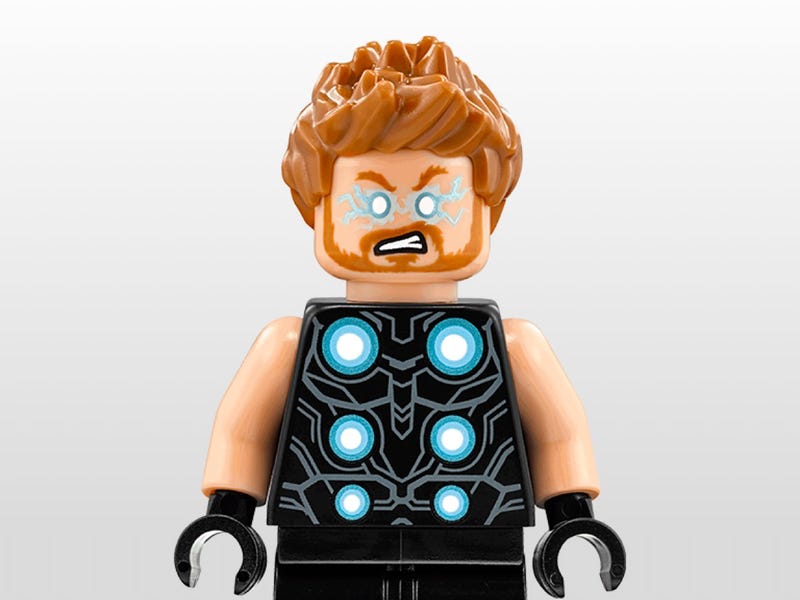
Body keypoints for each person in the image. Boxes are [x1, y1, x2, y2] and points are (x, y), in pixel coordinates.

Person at [175, 36, 625, 599]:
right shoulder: (289, 342)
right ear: (317, 210)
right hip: (322, 547)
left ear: (487, 210)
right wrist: (229, 513)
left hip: (477, 548)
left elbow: (560, 434)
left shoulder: (515, 345)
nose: (405, 228)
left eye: (435, 202)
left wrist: (571, 517)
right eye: (372, 203)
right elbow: (241, 432)